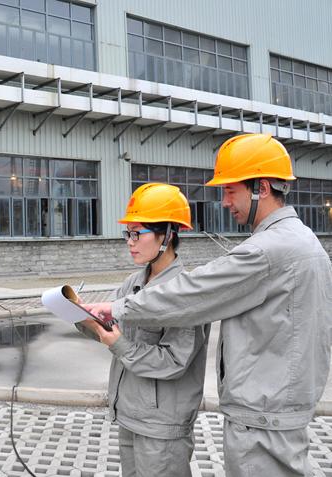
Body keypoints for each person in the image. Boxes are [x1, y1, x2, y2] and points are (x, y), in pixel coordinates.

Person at [84, 133, 332, 477]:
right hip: (273, 410)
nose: (225, 202)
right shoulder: (302, 243)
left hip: (263, 416)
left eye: (230, 190)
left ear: (260, 186)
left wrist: (118, 310)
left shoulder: (268, 250)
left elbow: (194, 293)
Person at [77, 182, 210, 477]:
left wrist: (119, 344)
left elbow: (173, 361)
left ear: (167, 235)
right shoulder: (133, 284)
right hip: (131, 416)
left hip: (162, 428)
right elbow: (111, 331)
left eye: (138, 233)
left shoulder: (184, 294)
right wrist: (81, 316)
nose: (130, 241)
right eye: (128, 233)